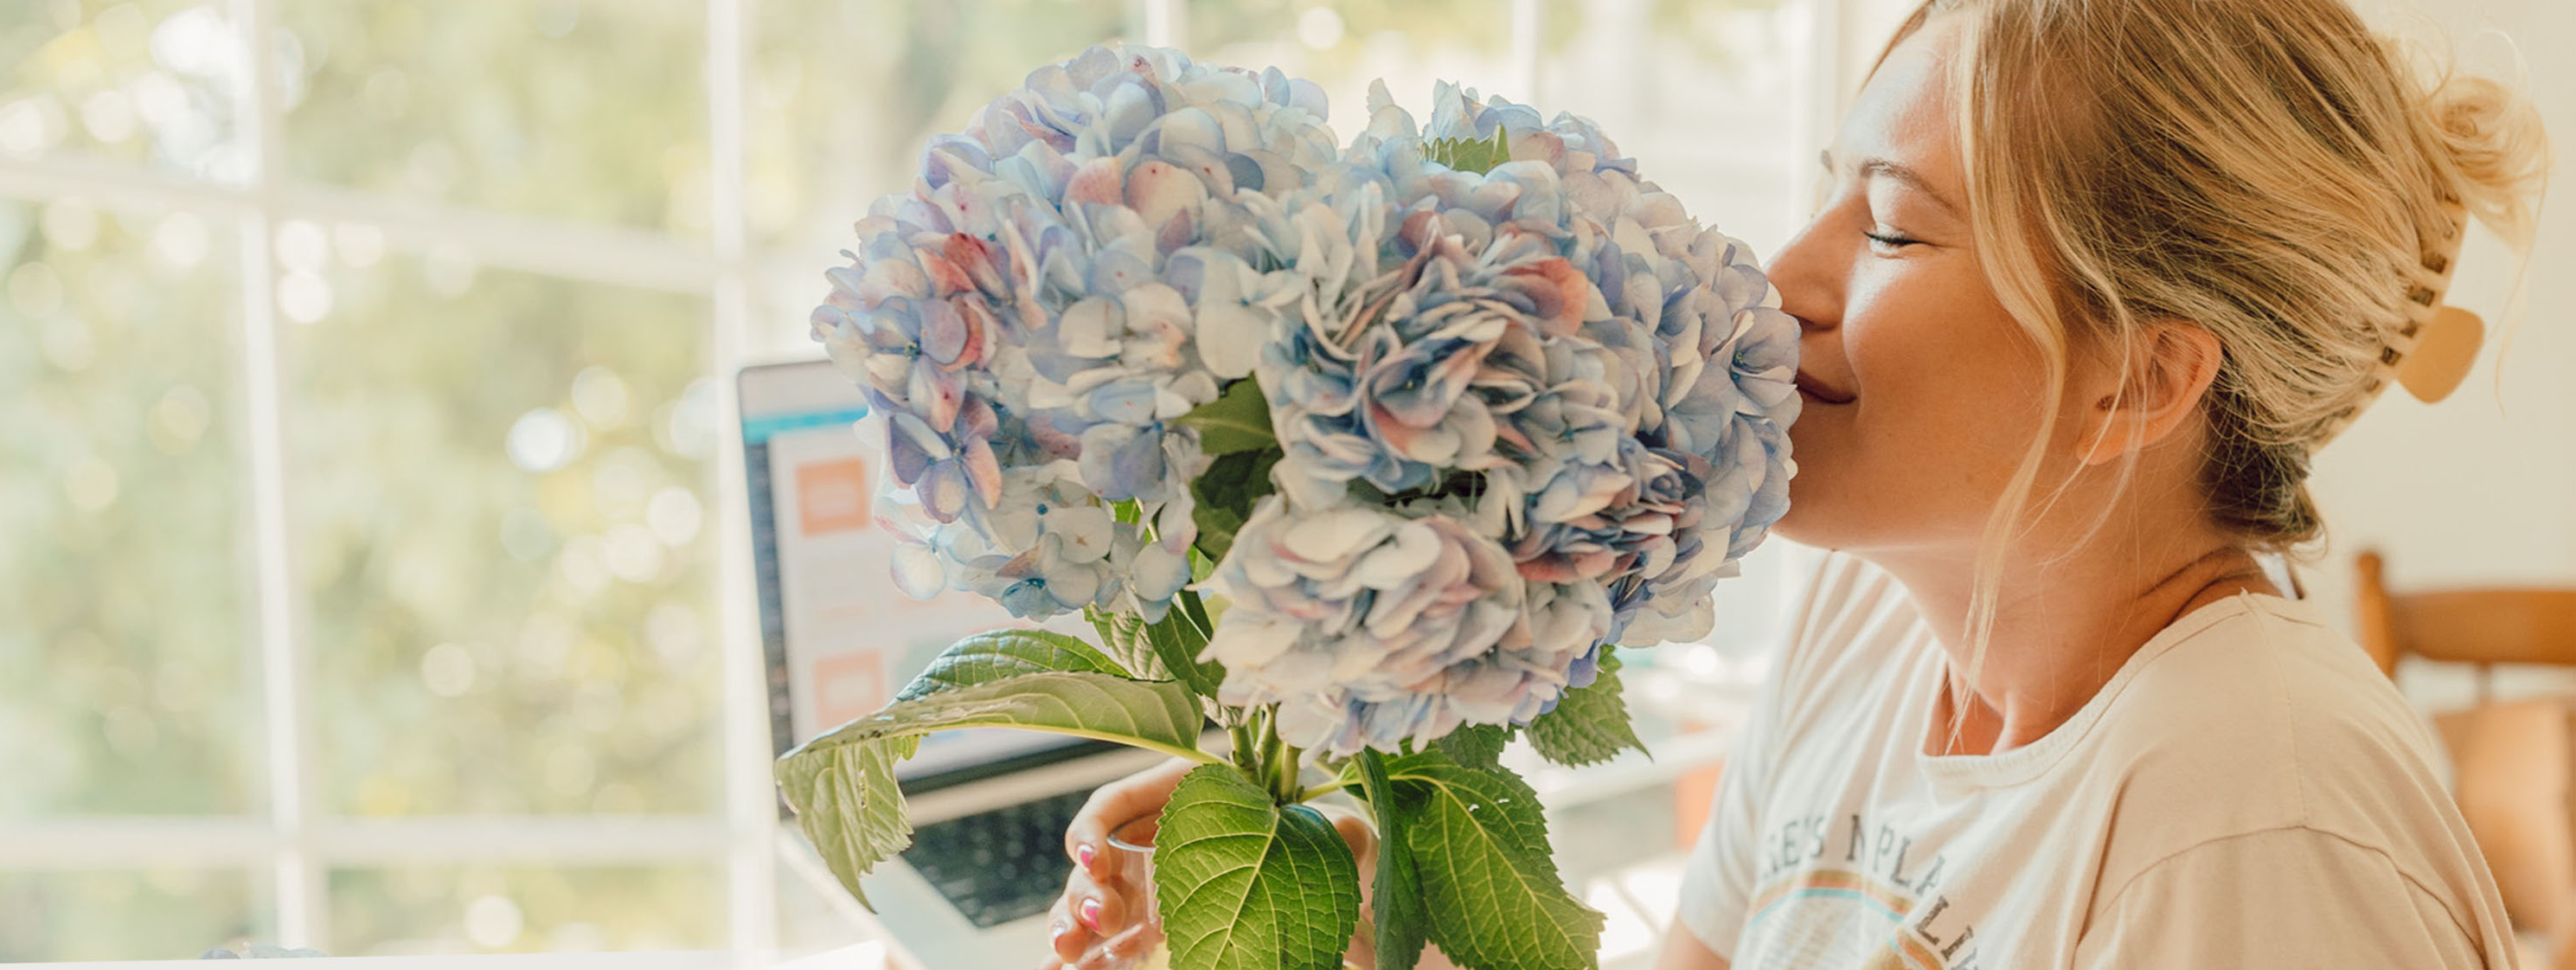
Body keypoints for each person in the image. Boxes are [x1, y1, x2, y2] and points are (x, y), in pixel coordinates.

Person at [1037, 0, 2556, 966]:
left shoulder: (2249, 821)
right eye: (1836, 189)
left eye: (1891, 226)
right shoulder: (1878, 627)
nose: (1785, 275)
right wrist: (1382, 917)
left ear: (2137, 380)